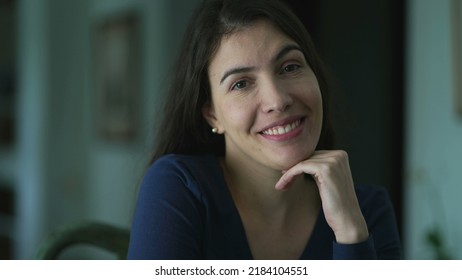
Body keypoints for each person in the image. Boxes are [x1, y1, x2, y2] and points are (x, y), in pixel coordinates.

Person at [127, 0, 402, 260]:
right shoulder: (179, 187)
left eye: (290, 67)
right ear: (212, 115)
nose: (277, 100)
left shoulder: (366, 211)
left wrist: (351, 236)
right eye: (241, 84)